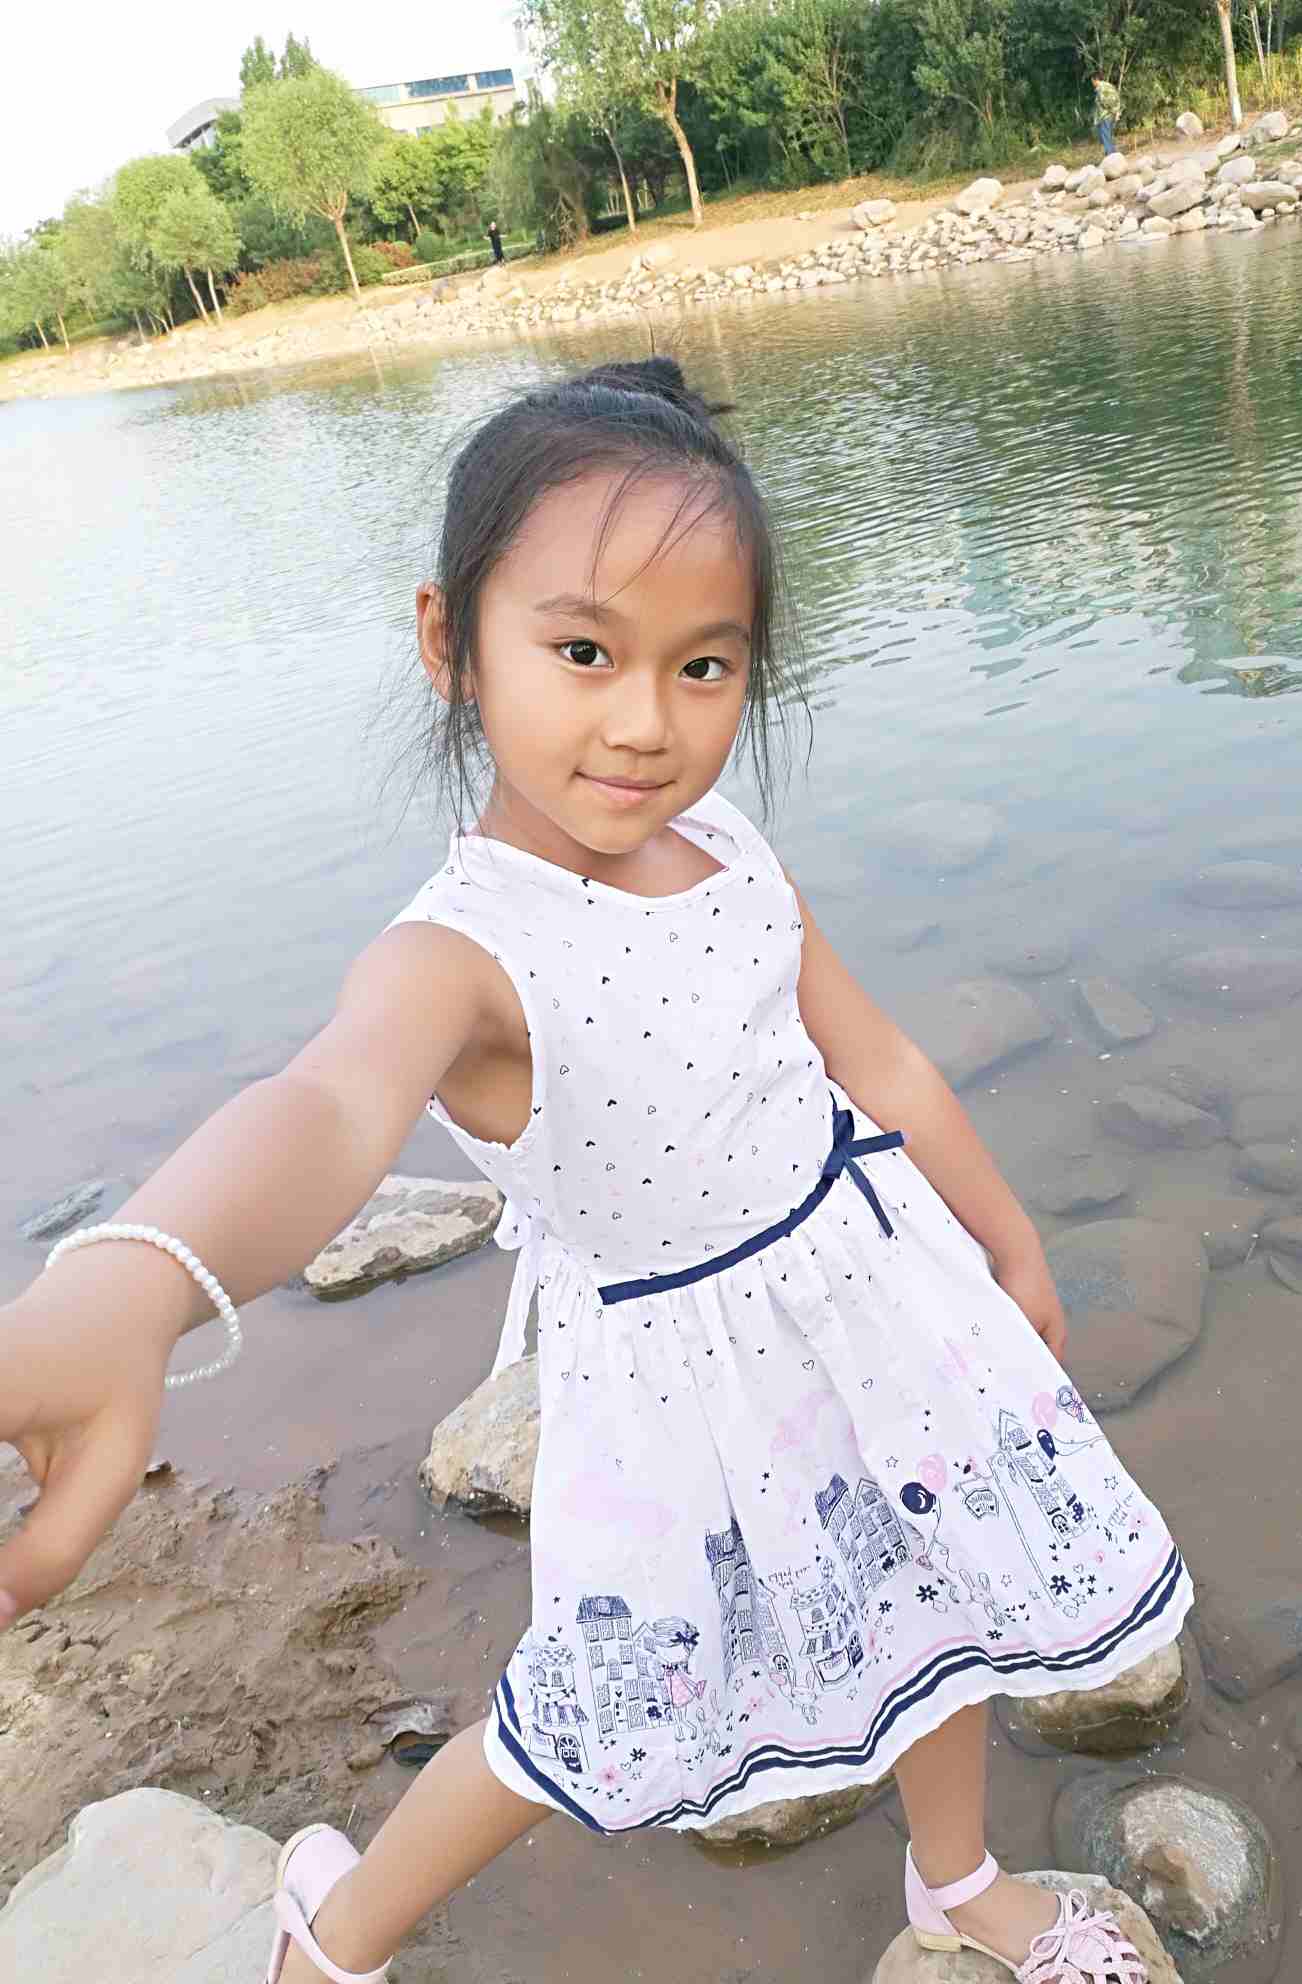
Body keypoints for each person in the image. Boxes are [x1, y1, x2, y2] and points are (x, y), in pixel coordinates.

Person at [0, 359, 1188, 1984]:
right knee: (576, 1711)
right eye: (582, 651)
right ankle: (328, 1935)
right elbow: (326, 1102)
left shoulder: (731, 850)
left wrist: (1007, 1239)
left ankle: (957, 1876)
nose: (645, 721)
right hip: (678, 1387)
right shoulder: (458, 953)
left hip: (874, 1295)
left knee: (938, 1575)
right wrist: (136, 1286)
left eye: (703, 665)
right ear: (450, 642)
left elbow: (883, 1065)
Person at [1092, 76, 1122, 157]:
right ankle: (1113, 154)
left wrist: (1111, 110)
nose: (1092, 83)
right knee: (1108, 136)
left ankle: (1110, 155)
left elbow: (1104, 101)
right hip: (1111, 114)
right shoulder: (1109, 85)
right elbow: (1117, 97)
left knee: (1105, 136)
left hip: (1105, 115)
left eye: (1092, 81)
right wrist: (1116, 111)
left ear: (1096, 80)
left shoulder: (1101, 88)